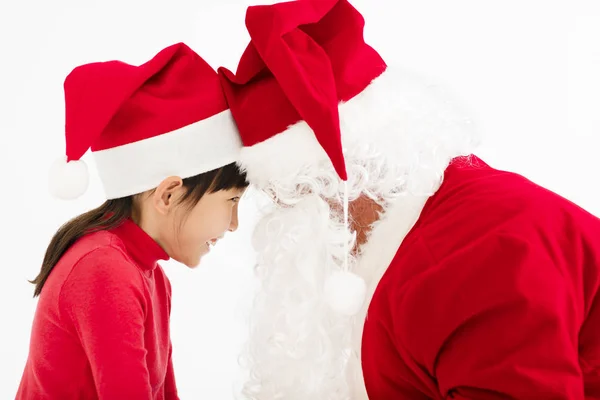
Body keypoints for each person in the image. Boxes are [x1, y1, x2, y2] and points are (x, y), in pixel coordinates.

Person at [218, 0, 600, 399]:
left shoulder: (474, 255)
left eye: (287, 196)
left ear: (335, 183)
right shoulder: (438, 216)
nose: (278, 212)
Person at [16, 42, 247, 399]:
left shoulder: (151, 277)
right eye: (231, 200)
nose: (234, 224)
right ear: (168, 195)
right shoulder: (104, 269)